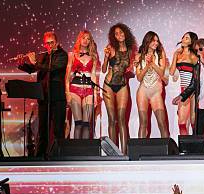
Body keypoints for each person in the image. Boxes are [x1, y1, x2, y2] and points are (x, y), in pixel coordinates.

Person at [17, 32, 68, 158]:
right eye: (47, 43)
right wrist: (21, 63)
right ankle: (40, 156)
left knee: (58, 130)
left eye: (52, 42)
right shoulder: (43, 56)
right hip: (44, 97)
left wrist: (35, 62)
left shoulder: (62, 55)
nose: (50, 45)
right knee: (42, 130)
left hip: (57, 98)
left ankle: (59, 156)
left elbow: (51, 68)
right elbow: (32, 69)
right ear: (44, 44)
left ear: (56, 42)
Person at [102, 23, 137, 154]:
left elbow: (129, 69)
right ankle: (114, 153)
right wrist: (106, 58)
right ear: (113, 36)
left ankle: (124, 152)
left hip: (122, 85)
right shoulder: (110, 48)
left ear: (125, 33)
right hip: (108, 86)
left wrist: (132, 68)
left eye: (121, 32)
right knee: (112, 119)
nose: (119, 35)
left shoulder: (130, 49)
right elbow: (104, 69)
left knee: (122, 119)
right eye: (116, 34)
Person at [65, 31, 101, 140]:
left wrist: (95, 94)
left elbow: (93, 75)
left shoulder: (93, 56)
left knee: (86, 124)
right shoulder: (72, 54)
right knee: (78, 123)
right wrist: (67, 93)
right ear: (79, 39)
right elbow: (67, 75)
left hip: (89, 90)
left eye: (88, 38)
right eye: (83, 38)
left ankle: (85, 153)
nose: (85, 40)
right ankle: (76, 153)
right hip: (74, 89)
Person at [134, 31, 169, 139]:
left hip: (156, 91)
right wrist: (146, 65)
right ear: (147, 41)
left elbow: (162, 73)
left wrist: (152, 63)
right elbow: (139, 78)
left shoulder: (160, 54)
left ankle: (167, 153)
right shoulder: (139, 56)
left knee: (162, 123)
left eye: (157, 41)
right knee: (143, 123)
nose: (156, 43)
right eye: (153, 40)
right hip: (143, 91)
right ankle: (139, 152)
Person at [169, 32, 198, 135]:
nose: (183, 39)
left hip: (192, 91)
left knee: (194, 122)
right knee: (182, 123)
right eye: (183, 37)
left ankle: (195, 148)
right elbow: (171, 72)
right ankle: (184, 149)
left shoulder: (194, 56)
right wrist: (175, 55)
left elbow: (197, 77)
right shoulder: (178, 54)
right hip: (183, 91)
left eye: (186, 38)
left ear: (191, 41)